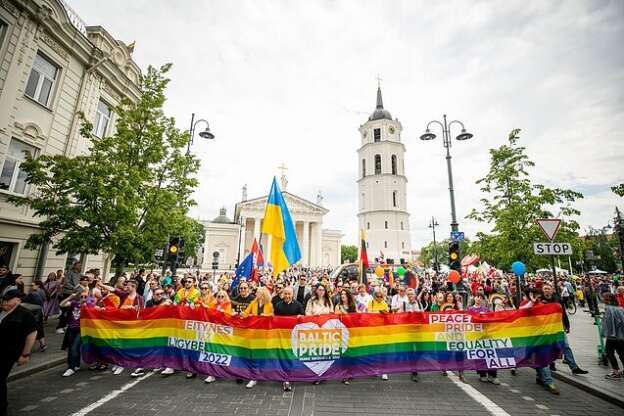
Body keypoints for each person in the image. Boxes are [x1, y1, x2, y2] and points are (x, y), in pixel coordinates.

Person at [0, 289, 37, 416]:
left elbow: (32, 333)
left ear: (18, 300)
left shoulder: (24, 314)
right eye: (3, 300)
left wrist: (25, 354)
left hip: (9, 352)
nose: (4, 303)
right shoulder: (1, 311)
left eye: (8, 301)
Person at [540, 283, 588, 375]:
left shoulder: (557, 299)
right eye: (545, 288)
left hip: (558, 326)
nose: (546, 290)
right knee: (550, 346)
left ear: (552, 290)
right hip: (545, 328)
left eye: (548, 288)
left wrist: (567, 324)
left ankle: (574, 367)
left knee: (565, 346)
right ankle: (551, 363)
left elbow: (563, 313)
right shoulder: (539, 300)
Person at [241, 287, 274, 389]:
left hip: (264, 333)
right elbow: (246, 312)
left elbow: (272, 315)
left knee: (262, 354)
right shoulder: (253, 303)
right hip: (254, 333)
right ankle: (254, 377)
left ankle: (262, 373)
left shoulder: (269, 304)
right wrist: (243, 314)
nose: (256, 294)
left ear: (263, 294)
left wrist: (266, 315)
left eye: (258, 292)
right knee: (254, 354)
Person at [274, 287, 304, 391]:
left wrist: (301, 316)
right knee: (283, 356)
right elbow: (274, 320)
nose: (287, 296)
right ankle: (285, 378)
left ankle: (290, 375)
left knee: (291, 356)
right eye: (285, 294)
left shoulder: (298, 305)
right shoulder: (278, 306)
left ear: (292, 294)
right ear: (283, 294)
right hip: (282, 336)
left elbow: (304, 318)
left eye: (289, 294)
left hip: (294, 337)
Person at [59, 289, 89, 377]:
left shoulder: (89, 306)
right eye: (82, 296)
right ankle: (76, 364)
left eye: (85, 297)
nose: (83, 298)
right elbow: (62, 304)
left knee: (74, 347)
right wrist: (70, 297)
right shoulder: (74, 303)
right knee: (71, 347)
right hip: (71, 328)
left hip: (81, 330)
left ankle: (71, 368)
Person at [367, 287, 389, 380]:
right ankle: (374, 369)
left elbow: (387, 315)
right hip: (373, 331)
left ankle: (384, 371)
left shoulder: (384, 303)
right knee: (374, 351)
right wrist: (380, 312)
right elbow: (369, 314)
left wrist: (378, 313)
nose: (380, 298)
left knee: (383, 352)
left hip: (382, 331)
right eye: (378, 296)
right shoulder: (370, 302)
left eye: (381, 296)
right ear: (374, 296)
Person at [601, 293, 624, 379]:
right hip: (621, 335)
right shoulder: (620, 308)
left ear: (608, 300)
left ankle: (615, 372)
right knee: (621, 353)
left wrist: (606, 333)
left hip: (612, 336)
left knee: (609, 352)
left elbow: (609, 324)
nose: (603, 301)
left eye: (605, 299)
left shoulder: (609, 309)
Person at [57, 260, 82, 333]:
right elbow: (66, 283)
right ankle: (59, 327)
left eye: (80, 265)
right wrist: (75, 288)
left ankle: (66, 325)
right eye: (78, 265)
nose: (80, 266)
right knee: (65, 310)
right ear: (74, 266)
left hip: (76, 294)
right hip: (68, 293)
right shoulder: (69, 273)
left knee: (71, 310)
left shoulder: (79, 274)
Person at [22, 280, 46, 352]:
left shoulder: (33, 294)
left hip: (34, 313)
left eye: (32, 285)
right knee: (40, 328)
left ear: (37, 285)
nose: (31, 287)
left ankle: (26, 348)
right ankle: (43, 344)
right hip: (40, 312)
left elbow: (26, 301)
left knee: (31, 329)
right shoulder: (42, 291)